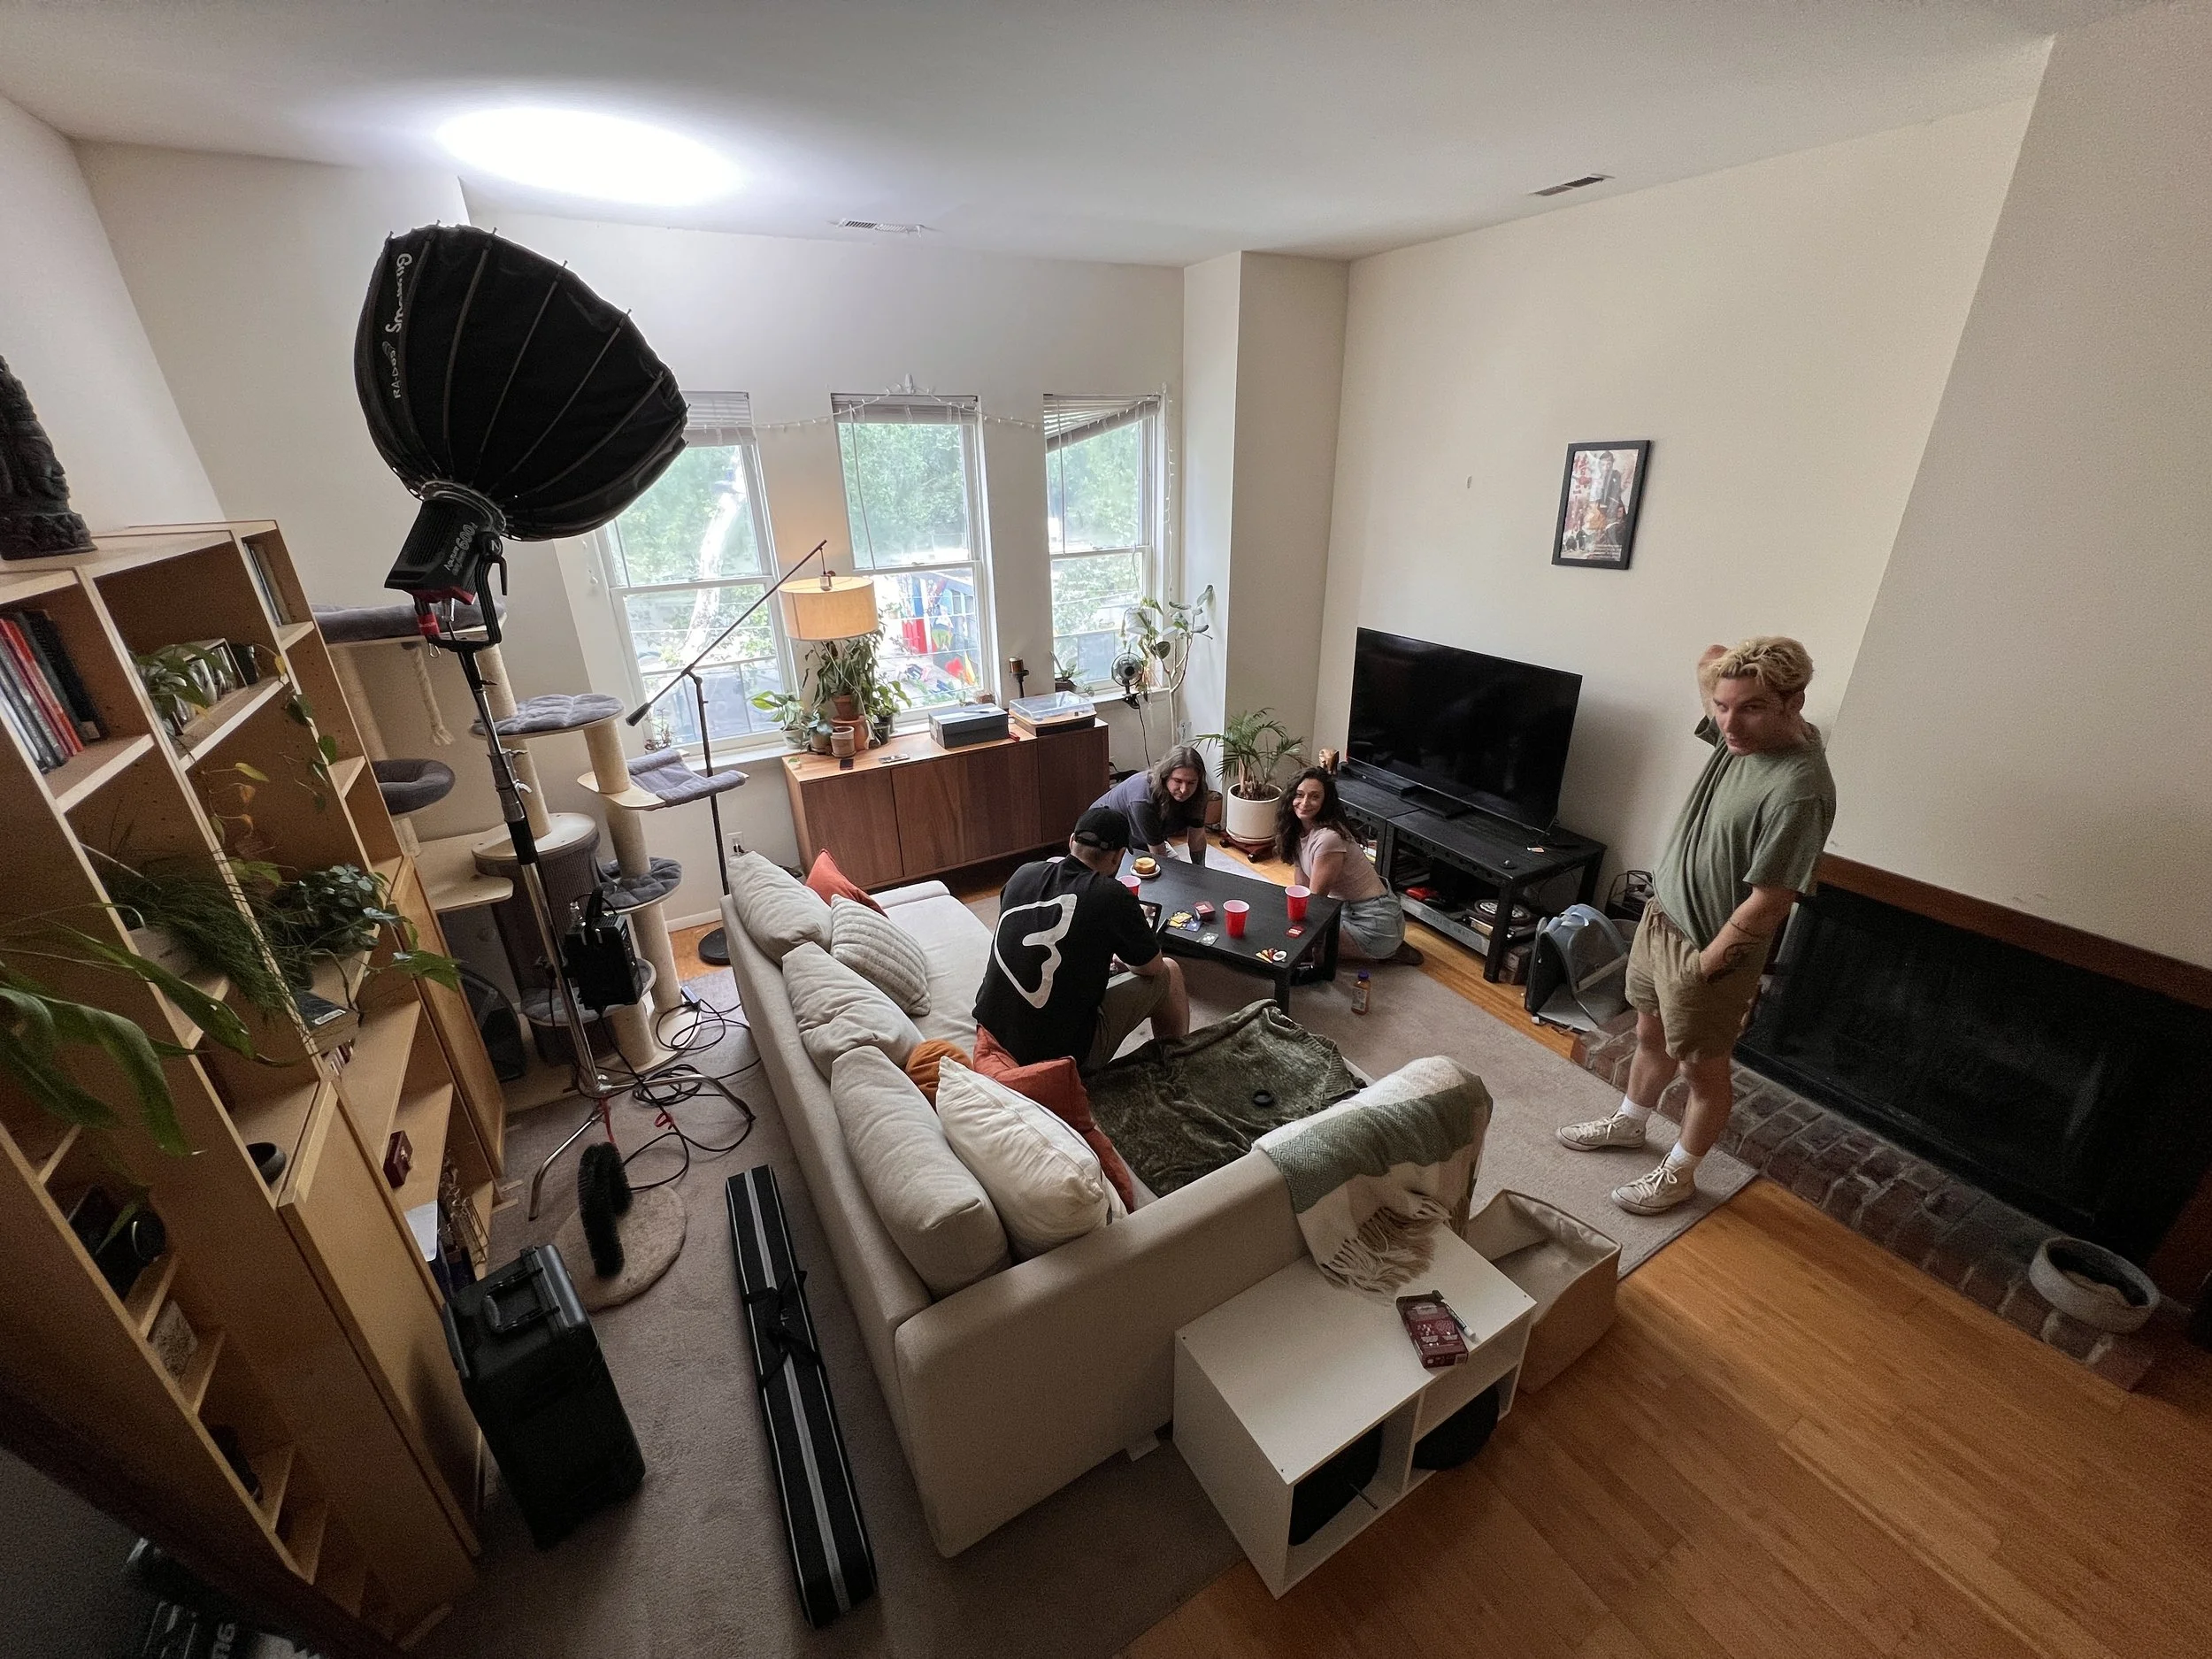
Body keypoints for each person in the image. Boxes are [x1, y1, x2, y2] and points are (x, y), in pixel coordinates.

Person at [1557, 637, 1837, 1214]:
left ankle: (1681, 1172)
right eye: (1722, 705)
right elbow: (1710, 655)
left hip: (1708, 950)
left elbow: (1771, 901)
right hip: (1661, 919)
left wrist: (1706, 966)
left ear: (1795, 701)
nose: (1728, 723)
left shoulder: (1799, 790)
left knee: (1702, 1071)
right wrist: (1733, 675)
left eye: (1751, 707)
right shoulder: (1739, 737)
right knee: (1648, 1036)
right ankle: (1631, 1122)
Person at [974, 806, 1190, 1072]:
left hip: (993, 1033)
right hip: (1060, 1058)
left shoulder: (1023, 874)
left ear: (1071, 842)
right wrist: (1125, 961)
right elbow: (1152, 967)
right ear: (1118, 856)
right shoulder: (1112, 895)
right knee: (1169, 971)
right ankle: (1176, 1065)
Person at [1275, 766, 1423, 966]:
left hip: (1373, 920)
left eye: (1314, 797)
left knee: (1303, 945)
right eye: (1299, 795)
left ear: (1325, 801)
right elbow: (1302, 891)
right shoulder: (1297, 831)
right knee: (1289, 927)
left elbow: (1317, 901)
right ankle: (1378, 945)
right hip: (1345, 910)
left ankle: (1388, 947)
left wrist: (1298, 934)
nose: (1305, 802)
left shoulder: (1328, 838)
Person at [1091, 745, 1210, 866]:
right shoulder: (1144, 799)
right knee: (1159, 873)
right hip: (1105, 841)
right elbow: (1158, 853)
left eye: (1191, 783)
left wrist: (1201, 871)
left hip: (1144, 840)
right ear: (1165, 776)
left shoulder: (1199, 793)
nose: (1184, 790)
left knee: (1180, 872)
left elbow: (1197, 837)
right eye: (1178, 781)